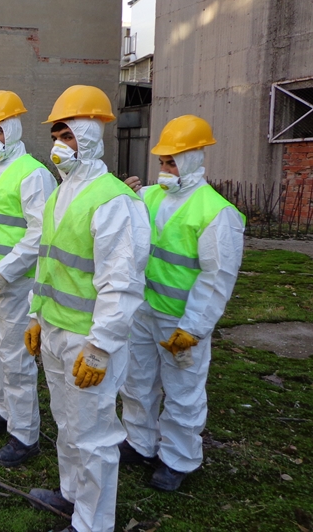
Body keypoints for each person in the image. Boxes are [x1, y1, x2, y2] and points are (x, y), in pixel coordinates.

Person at [24, 85, 151, 532]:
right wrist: (36, 316)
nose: (60, 145)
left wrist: (100, 348)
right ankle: (72, 496)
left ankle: (92, 524)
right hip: (57, 334)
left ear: (91, 135)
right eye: (56, 135)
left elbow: (123, 285)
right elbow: (49, 264)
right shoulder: (61, 194)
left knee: (95, 434)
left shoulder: (115, 200)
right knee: (67, 422)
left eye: (69, 135)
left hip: (90, 340)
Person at [118, 115, 245, 491]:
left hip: (180, 321)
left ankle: (179, 459)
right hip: (143, 312)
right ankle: (140, 443)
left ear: (192, 159)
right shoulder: (150, 197)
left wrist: (194, 327)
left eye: (171, 162)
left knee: (183, 391)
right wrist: (122, 194)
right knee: (136, 382)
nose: (164, 169)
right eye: (162, 161)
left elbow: (217, 277)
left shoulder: (216, 212)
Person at [0, 90, 57, 467]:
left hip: (15, 286)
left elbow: (39, 236)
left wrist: (1, 275)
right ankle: (7, 413)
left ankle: (25, 436)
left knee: (17, 359)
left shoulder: (34, 175)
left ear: (14, 128)